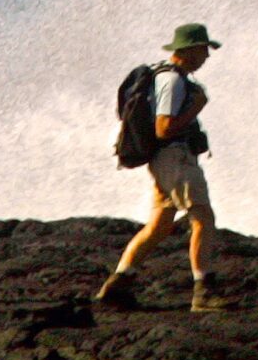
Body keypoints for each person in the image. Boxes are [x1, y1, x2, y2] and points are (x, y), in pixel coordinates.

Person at [95, 23, 226, 313]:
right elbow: (164, 128)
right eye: (203, 49)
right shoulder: (172, 81)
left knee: (161, 224)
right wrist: (197, 107)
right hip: (174, 157)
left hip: (165, 159)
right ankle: (203, 292)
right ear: (188, 50)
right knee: (203, 216)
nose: (206, 56)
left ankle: (117, 285)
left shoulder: (166, 77)